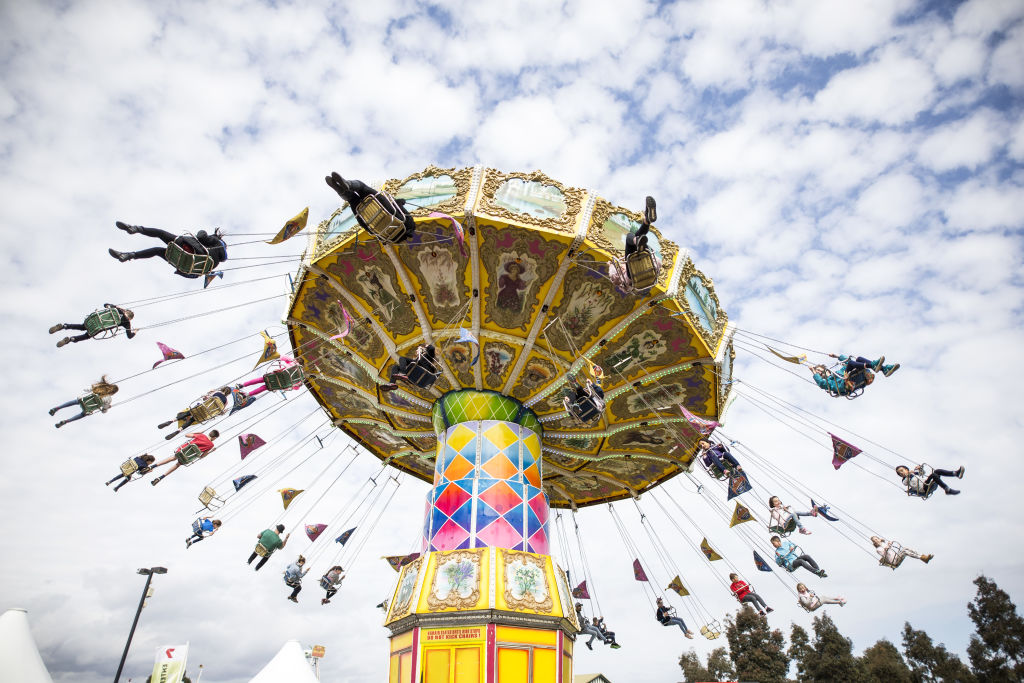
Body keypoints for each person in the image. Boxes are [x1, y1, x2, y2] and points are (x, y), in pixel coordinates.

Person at [108, 222, 228, 278]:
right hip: (187, 266)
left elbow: (201, 237)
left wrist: (203, 233)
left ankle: (136, 229)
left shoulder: (217, 242)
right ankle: (128, 256)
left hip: (192, 251)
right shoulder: (217, 261)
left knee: (161, 234)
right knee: (157, 251)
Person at [325, 172, 415, 243]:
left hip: (385, 209)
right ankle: (341, 191)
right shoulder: (391, 239)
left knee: (362, 188)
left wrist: (399, 202)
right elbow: (369, 231)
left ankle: (348, 184)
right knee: (352, 200)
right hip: (367, 217)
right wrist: (359, 217)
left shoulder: (409, 225)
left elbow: (401, 211)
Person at [148, 430, 220, 486]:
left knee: (172, 458)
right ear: (214, 437)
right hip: (188, 457)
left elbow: (187, 435)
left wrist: (198, 433)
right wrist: (211, 451)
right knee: (177, 465)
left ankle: (153, 466)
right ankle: (161, 477)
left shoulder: (201, 435)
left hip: (182, 450)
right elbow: (202, 456)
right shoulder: (211, 445)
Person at [809, 354, 899, 397]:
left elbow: (848, 360)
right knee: (852, 364)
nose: (820, 374)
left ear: (825, 370)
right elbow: (820, 383)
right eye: (819, 374)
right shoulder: (829, 382)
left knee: (858, 359)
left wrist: (837, 356)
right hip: (846, 385)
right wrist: (813, 372)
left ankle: (884, 370)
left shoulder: (840, 371)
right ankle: (873, 366)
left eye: (820, 371)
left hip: (862, 376)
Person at [158, 387, 230, 440]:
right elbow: (219, 412)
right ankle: (179, 430)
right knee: (191, 420)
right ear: (228, 394)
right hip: (205, 415)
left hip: (201, 408)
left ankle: (171, 421)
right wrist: (224, 412)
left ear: (223, 389)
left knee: (188, 412)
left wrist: (209, 393)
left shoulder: (217, 393)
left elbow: (205, 398)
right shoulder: (225, 402)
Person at [50, 304, 136, 348]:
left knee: (82, 327)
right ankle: (71, 339)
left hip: (93, 320)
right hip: (98, 327)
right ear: (130, 318)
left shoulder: (118, 309)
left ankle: (64, 326)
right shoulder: (127, 323)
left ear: (126, 311)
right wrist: (135, 332)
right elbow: (129, 336)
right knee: (87, 336)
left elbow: (105, 304)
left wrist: (118, 307)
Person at [50, 376, 119, 428]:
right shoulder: (109, 400)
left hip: (83, 401)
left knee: (76, 401)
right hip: (88, 409)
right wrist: (107, 407)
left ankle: (56, 408)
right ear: (113, 393)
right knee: (84, 414)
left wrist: (92, 390)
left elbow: (85, 390)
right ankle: (66, 421)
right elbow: (104, 411)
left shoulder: (100, 389)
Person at [896, 464, 964, 497]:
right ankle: (947, 489)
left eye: (902, 470)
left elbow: (922, 473)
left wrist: (919, 469)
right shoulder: (904, 480)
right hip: (924, 488)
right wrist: (908, 475)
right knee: (933, 475)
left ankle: (955, 473)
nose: (901, 473)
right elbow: (905, 483)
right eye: (900, 473)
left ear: (906, 469)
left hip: (927, 483)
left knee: (937, 471)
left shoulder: (913, 473)